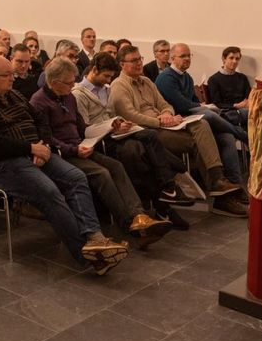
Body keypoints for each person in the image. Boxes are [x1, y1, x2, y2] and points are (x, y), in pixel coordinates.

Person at [0, 56, 129, 274]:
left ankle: (95, 236)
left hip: (35, 152)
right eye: (8, 75)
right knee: (50, 192)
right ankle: (87, 256)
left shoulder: (13, 95)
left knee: (76, 177)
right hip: (2, 165)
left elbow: (40, 119)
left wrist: (42, 145)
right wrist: (30, 149)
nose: (13, 78)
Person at [31, 58, 172, 245]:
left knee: (116, 166)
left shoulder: (68, 97)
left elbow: (81, 127)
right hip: (62, 154)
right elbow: (47, 138)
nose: (73, 85)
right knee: (101, 173)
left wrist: (108, 128)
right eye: (69, 82)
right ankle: (129, 224)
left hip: (81, 146)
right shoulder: (39, 102)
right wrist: (74, 149)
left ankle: (139, 215)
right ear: (55, 82)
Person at [110, 45, 245, 217]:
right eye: (134, 60)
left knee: (202, 124)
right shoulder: (119, 85)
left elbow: (165, 104)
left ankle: (218, 180)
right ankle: (221, 197)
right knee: (202, 140)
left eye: (140, 59)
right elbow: (131, 115)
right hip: (149, 131)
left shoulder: (147, 81)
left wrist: (167, 114)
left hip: (167, 123)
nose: (139, 63)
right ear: (122, 64)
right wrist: (160, 121)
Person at [71, 52, 194, 224]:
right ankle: (169, 187)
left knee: (143, 147)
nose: (108, 80)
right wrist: (112, 126)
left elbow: (113, 115)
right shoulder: (79, 94)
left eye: (110, 76)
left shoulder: (106, 90)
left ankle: (165, 199)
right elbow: (84, 129)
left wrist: (120, 124)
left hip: (114, 134)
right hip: (100, 141)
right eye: (106, 76)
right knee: (139, 152)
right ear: (94, 70)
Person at [156, 43, 249, 192]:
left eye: (189, 55)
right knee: (209, 113)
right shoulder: (166, 77)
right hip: (179, 118)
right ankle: (243, 135)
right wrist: (203, 107)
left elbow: (194, 100)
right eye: (183, 56)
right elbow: (180, 104)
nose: (187, 59)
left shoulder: (187, 77)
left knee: (226, 137)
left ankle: (236, 185)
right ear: (172, 58)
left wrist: (202, 104)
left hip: (192, 114)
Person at [206, 46, 253, 127]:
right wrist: (236, 106)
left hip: (243, 110)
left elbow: (248, 97)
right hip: (226, 113)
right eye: (231, 58)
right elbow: (216, 103)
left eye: (237, 59)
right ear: (224, 59)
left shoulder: (243, 78)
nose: (234, 61)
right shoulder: (213, 79)